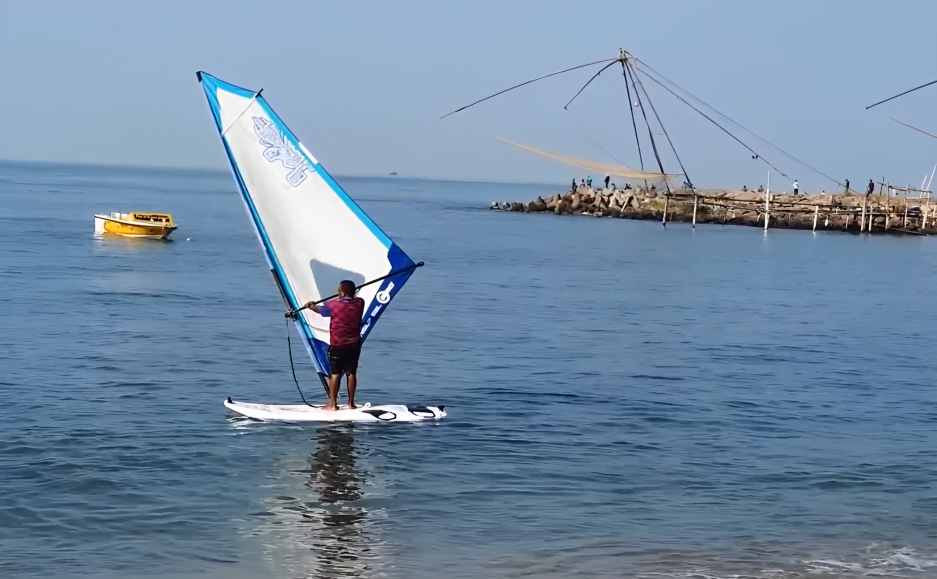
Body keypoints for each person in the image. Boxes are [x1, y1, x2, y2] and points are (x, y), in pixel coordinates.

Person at [305, 280, 365, 411]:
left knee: (335, 373)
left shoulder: (333, 305)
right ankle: (351, 403)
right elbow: (354, 297)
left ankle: (332, 404)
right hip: (354, 344)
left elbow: (320, 310)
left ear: (343, 292)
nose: (337, 293)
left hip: (338, 344)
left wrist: (310, 306)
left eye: (339, 291)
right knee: (351, 373)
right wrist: (352, 292)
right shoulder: (360, 303)